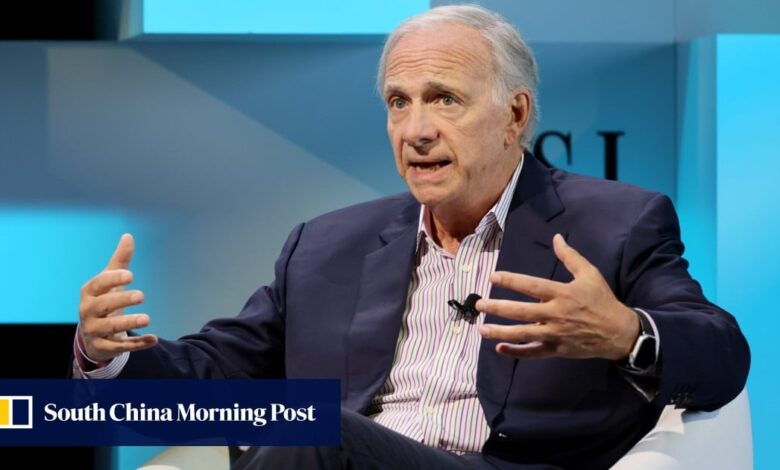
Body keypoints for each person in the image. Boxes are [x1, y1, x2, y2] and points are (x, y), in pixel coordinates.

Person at [73, 5, 750, 469]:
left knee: (312, 427)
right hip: (345, 461)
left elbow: (722, 355)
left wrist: (625, 333)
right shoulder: (327, 245)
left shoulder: (615, 223)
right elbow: (218, 371)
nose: (416, 130)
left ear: (515, 115)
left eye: (444, 99)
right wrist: (109, 356)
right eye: (400, 102)